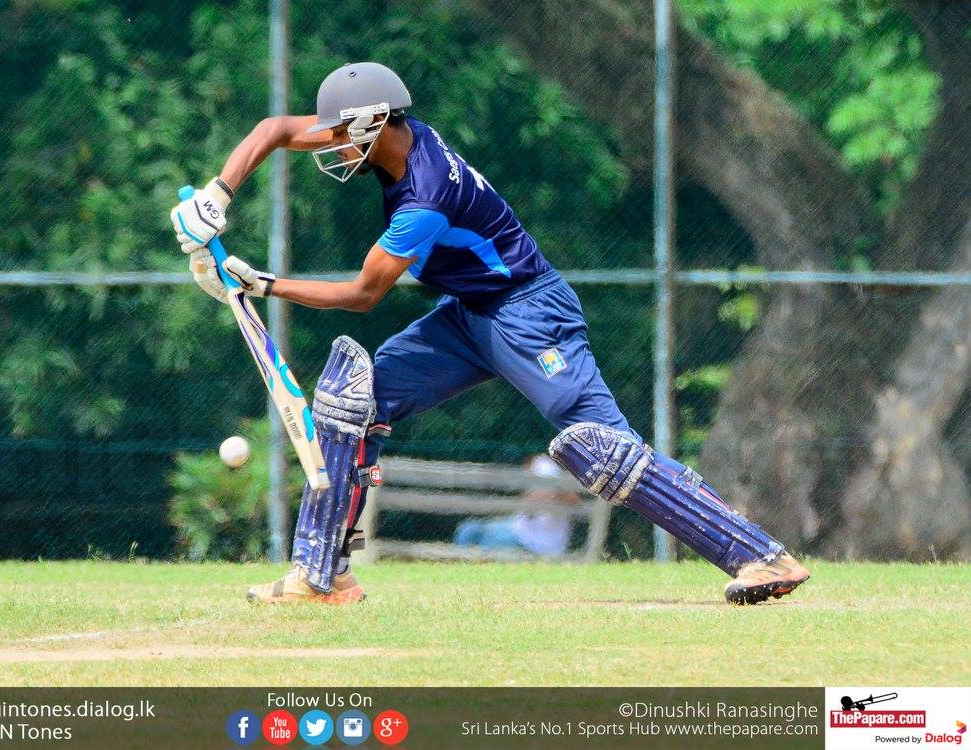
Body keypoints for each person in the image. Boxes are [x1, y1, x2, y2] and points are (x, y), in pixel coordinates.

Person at [170, 62, 810, 606]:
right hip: (469, 313)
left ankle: (760, 557)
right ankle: (322, 576)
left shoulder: (425, 198)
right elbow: (275, 130)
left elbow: (364, 295)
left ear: (373, 124)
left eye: (340, 135)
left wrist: (261, 283)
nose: (331, 146)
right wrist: (217, 195)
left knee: (601, 448)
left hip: (529, 314)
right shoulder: (394, 136)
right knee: (354, 401)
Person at [453, 455, 577, 558]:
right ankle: (459, 563)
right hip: (518, 530)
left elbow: (561, 495)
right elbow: (525, 508)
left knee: (484, 543)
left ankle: (465, 564)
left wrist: (543, 495)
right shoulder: (538, 477)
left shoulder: (545, 466)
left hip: (533, 544)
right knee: (468, 529)